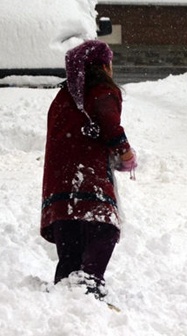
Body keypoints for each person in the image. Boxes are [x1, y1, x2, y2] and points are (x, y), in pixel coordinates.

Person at [40, 40, 137, 299]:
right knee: (104, 227)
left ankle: (66, 291)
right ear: (102, 65)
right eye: (110, 63)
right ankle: (89, 283)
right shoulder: (102, 90)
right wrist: (125, 152)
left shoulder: (62, 97)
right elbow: (109, 124)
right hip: (88, 176)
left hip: (59, 183)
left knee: (70, 236)